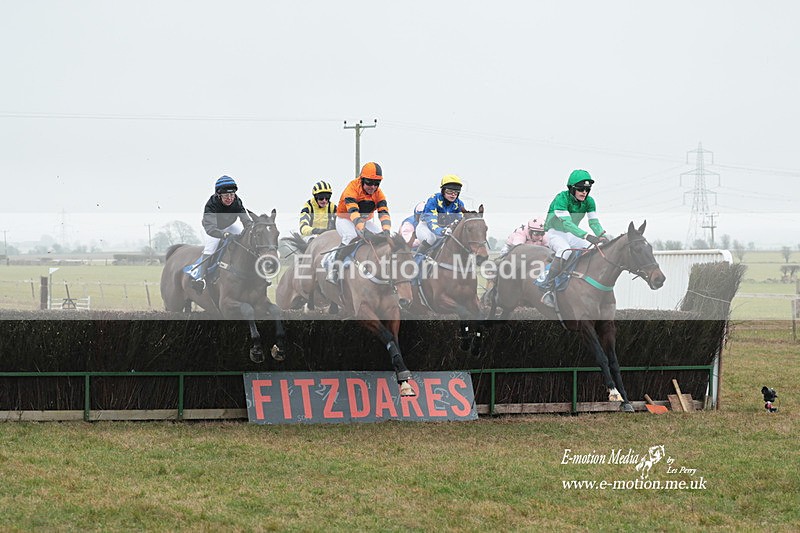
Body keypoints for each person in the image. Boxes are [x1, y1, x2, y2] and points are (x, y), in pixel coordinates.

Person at [540, 169, 608, 307]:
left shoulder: (589, 202)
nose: (584, 192)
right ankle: (548, 287)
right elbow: (568, 224)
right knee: (565, 250)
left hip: (571, 234)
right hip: (555, 232)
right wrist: (587, 236)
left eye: (587, 189)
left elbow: (593, 222)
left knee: (592, 249)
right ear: (571, 189)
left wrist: (602, 236)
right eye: (581, 189)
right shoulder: (561, 199)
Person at [327, 162, 392, 282]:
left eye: (376, 183)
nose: (372, 187)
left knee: (382, 239)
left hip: (364, 221)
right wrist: (362, 230)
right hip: (345, 219)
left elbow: (384, 212)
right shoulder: (351, 189)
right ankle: (334, 268)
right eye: (369, 182)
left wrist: (386, 230)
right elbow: (354, 213)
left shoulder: (379, 193)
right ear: (362, 179)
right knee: (351, 235)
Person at [193, 175, 253, 293]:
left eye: (232, 195)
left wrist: (251, 228)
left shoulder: (237, 201)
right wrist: (224, 235)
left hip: (229, 226)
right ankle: (200, 279)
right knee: (211, 247)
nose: (230, 198)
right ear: (219, 195)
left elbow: (246, 221)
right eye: (226, 195)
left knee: (244, 237)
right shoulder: (211, 204)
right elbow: (211, 228)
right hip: (212, 229)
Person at [415, 174, 466, 254]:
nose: (453, 194)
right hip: (426, 227)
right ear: (443, 191)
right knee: (430, 239)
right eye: (449, 192)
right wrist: (442, 231)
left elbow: (460, 220)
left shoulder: (459, 204)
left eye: (456, 192)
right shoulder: (433, 200)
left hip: (445, 229)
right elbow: (431, 222)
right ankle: (416, 261)